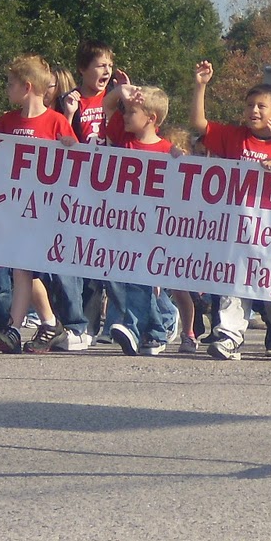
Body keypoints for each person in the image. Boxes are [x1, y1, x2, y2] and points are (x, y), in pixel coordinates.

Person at [189, 59, 271, 362]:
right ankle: (229, 336)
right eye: (250, 106)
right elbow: (200, 125)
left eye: (261, 107)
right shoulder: (234, 136)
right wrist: (201, 86)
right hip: (237, 231)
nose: (254, 111)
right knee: (233, 281)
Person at [0, 54, 76, 353]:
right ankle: (49, 324)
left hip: (44, 211)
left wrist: (68, 147)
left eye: (10, 84)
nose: (6, 89)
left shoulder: (55, 121)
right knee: (23, 269)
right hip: (14, 209)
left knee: (24, 269)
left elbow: (77, 164)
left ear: (26, 87)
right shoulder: (6, 121)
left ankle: (15, 327)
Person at [103, 85, 175, 357]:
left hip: (153, 228)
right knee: (126, 280)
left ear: (152, 118)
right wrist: (123, 93)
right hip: (124, 224)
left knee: (140, 280)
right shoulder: (124, 139)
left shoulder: (168, 151)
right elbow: (107, 107)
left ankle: (136, 329)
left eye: (132, 111)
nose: (125, 115)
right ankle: (156, 329)